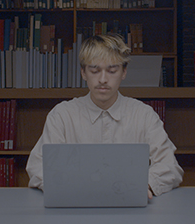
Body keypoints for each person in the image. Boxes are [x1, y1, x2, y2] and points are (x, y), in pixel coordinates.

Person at [26, 34, 183, 198]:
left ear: (124, 72)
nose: (103, 79)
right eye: (94, 70)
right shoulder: (62, 116)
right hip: (75, 205)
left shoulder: (144, 115)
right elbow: (38, 166)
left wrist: (146, 185)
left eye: (112, 71)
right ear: (83, 73)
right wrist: (68, 186)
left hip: (131, 207)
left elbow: (170, 166)